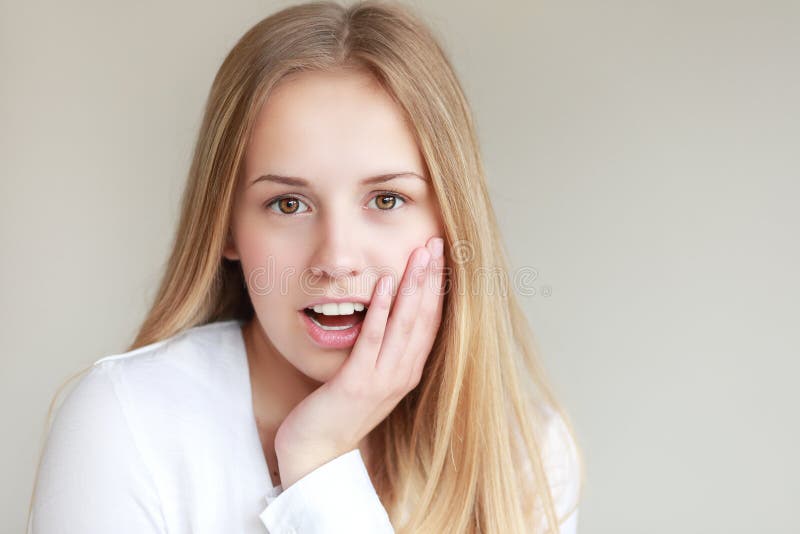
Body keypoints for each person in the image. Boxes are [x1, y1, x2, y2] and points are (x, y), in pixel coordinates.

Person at [28, 1, 584, 533]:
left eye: (386, 200)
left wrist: (318, 460)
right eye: (288, 204)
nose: (336, 260)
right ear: (225, 227)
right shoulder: (124, 425)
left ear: (451, 222)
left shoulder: (526, 457)